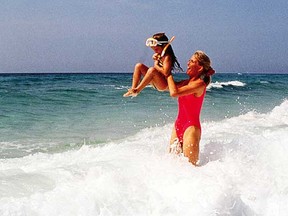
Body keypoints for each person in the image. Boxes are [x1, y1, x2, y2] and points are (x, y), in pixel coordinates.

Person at [161, 50, 215, 166]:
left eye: (191, 61)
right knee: (171, 164)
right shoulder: (186, 83)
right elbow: (164, 87)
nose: (188, 63)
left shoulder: (200, 84)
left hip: (191, 128)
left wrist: (168, 74)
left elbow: (174, 93)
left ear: (199, 68)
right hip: (178, 126)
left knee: (191, 168)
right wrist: (160, 64)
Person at [123, 33, 182, 97]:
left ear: (164, 46)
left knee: (152, 70)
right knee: (138, 66)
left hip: (163, 84)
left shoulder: (167, 57)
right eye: (153, 49)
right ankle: (133, 89)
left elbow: (166, 73)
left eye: (156, 49)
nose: (155, 51)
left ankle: (137, 90)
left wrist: (156, 64)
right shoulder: (159, 55)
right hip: (156, 82)